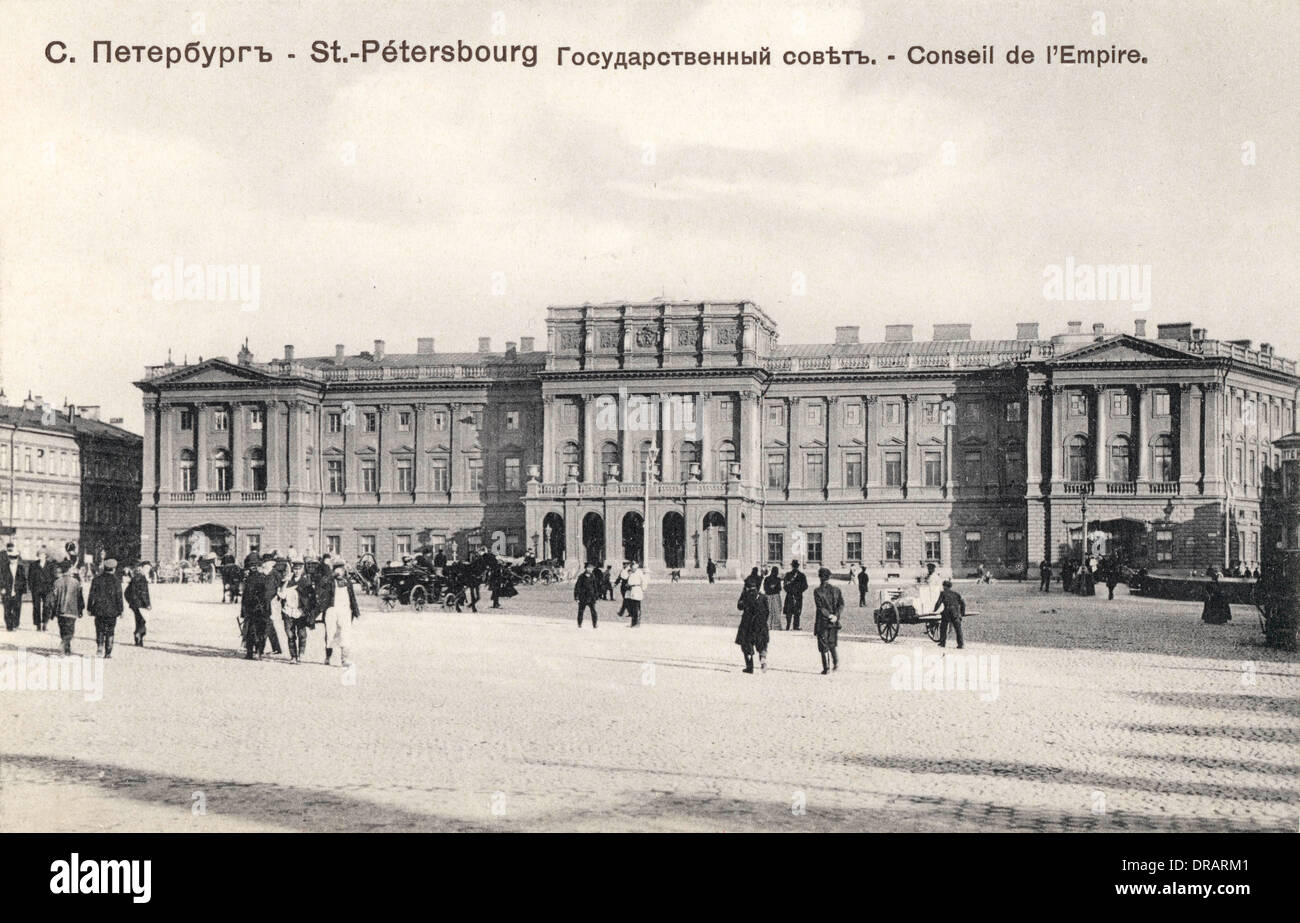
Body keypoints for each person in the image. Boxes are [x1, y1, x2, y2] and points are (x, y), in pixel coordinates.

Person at [322, 559, 361, 666]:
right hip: (332, 609)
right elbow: (322, 586)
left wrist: (356, 612)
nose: (340, 572)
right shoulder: (330, 581)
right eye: (337, 569)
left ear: (344, 570)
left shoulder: (347, 582)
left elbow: (352, 597)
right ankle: (328, 656)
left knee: (345, 633)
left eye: (341, 569)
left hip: (344, 610)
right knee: (331, 633)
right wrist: (331, 576)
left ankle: (344, 659)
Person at [87, 558, 124, 658]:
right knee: (110, 630)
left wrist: (89, 608)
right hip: (112, 610)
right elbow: (119, 597)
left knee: (99, 629)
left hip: (99, 610)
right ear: (114, 569)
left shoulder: (96, 580)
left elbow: (91, 595)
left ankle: (99, 646)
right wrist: (121, 610)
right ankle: (108, 652)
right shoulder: (116, 581)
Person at [241, 556, 276, 659]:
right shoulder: (247, 579)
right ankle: (250, 652)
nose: (253, 567)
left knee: (260, 631)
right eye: (251, 565)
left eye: (255, 565)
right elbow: (245, 595)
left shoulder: (262, 578)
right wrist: (243, 610)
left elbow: (267, 594)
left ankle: (259, 651)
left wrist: (263, 606)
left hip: (261, 608)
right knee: (250, 631)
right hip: (250, 609)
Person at [278, 561, 312, 664]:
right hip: (288, 611)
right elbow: (281, 595)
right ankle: (293, 656)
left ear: (302, 570)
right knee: (290, 634)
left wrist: (307, 610)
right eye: (295, 569)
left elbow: (310, 597)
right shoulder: (288, 581)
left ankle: (301, 654)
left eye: (299, 569)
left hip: (300, 611)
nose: (297, 571)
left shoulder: (306, 582)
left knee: (302, 634)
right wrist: (286, 582)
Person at [734, 573, 769, 673]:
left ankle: (750, 666)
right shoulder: (763, 597)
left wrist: (743, 595)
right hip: (761, 624)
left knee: (746, 644)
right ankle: (763, 659)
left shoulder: (746, 596)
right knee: (762, 643)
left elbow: (739, 606)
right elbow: (767, 612)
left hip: (748, 624)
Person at [812, 567, 844, 674]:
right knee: (832, 643)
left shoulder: (817, 591)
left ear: (820, 577)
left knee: (823, 644)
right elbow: (841, 605)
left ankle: (826, 668)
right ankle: (836, 664)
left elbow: (820, 607)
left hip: (823, 621)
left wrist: (829, 615)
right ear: (829, 577)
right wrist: (836, 616)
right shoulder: (837, 590)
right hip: (834, 622)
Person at [51, 561, 84, 655]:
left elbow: (53, 598)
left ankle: (67, 648)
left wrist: (53, 611)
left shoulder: (57, 582)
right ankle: (63, 645)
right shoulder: (76, 582)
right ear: (70, 569)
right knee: (70, 630)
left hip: (60, 610)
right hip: (72, 610)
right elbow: (79, 598)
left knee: (62, 629)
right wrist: (81, 609)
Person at [27, 547, 57, 631]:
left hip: (47, 589)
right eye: (40, 554)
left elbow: (54, 577)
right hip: (36, 589)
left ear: (46, 555)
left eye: (43, 554)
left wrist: (52, 588)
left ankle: (45, 623)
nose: (41, 556)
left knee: (47, 606)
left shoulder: (50, 565)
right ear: (38, 555)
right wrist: (31, 587)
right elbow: (30, 577)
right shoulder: (33, 565)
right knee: (36, 606)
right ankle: (37, 624)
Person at [124, 562, 152, 645]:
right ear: (142, 568)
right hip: (140, 604)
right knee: (142, 621)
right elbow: (144, 593)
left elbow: (127, 592)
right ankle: (139, 636)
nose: (148, 570)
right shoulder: (142, 577)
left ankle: (138, 639)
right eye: (146, 568)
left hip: (134, 603)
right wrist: (147, 604)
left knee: (139, 620)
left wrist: (130, 601)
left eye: (149, 568)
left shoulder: (135, 577)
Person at [933, 579, 965, 649]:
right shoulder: (956, 594)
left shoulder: (943, 593)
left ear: (944, 586)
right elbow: (963, 603)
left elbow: (938, 603)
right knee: (958, 629)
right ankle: (961, 644)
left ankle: (942, 643)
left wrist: (934, 611)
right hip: (956, 613)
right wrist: (962, 613)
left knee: (943, 627)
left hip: (948, 612)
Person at [1, 542, 24, 631]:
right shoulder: (4, 568)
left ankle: (15, 623)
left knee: (17, 608)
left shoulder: (20, 568)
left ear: (17, 558)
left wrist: (22, 591)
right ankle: (9, 625)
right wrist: (2, 588)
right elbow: (1, 578)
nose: (13, 559)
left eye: (15, 558)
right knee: (7, 608)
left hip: (17, 591)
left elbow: (23, 580)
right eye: (11, 558)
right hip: (6, 590)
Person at [782, 559, 808, 631]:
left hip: (795, 595)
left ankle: (793, 626)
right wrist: (793, 591)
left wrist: (796, 591)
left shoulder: (800, 575)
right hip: (793, 596)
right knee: (790, 611)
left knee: (795, 611)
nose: (794, 568)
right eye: (794, 566)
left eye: (795, 566)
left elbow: (805, 586)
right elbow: (785, 585)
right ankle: (790, 626)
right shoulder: (789, 575)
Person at [574, 561, 600, 628]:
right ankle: (579, 623)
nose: (590, 569)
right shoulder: (581, 577)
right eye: (589, 568)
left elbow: (595, 587)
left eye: (591, 568)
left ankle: (595, 624)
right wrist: (576, 597)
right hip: (583, 597)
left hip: (591, 597)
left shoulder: (593, 576)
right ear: (586, 568)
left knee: (593, 611)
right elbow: (577, 587)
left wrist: (596, 597)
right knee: (581, 611)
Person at [624, 561, 647, 627]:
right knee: (632, 607)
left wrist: (643, 589)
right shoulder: (631, 573)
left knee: (636, 608)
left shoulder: (639, 572)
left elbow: (644, 581)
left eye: (633, 566)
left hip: (637, 590)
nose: (632, 568)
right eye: (631, 567)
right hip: (632, 590)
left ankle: (636, 623)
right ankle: (633, 623)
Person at [762, 565, 783, 631]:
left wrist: (770, 588)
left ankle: (768, 625)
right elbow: (779, 589)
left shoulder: (767, 579)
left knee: (769, 611)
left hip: (768, 596)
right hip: (775, 596)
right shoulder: (778, 579)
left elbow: (765, 588)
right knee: (776, 611)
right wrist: (774, 588)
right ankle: (776, 626)